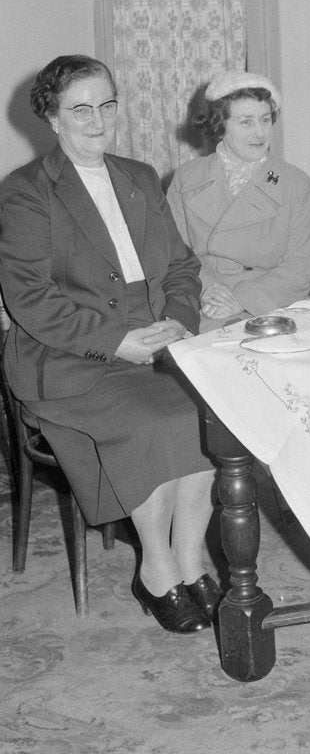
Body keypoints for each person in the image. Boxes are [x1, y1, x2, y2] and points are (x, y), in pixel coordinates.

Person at [0, 55, 218, 634]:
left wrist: (178, 321)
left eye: (107, 105)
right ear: (52, 118)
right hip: (68, 358)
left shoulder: (139, 177)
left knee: (214, 414)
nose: (97, 121)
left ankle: (191, 559)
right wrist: (117, 342)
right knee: (155, 423)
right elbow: (30, 299)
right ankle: (157, 569)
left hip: (154, 342)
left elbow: (182, 267)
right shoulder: (26, 191)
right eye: (81, 110)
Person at [167, 72, 310, 331]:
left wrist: (242, 300)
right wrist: (208, 290)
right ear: (220, 124)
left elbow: (300, 267)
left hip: (268, 305)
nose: (260, 132)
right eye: (246, 122)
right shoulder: (186, 178)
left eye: (265, 120)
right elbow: (172, 253)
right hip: (200, 298)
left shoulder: (295, 184)